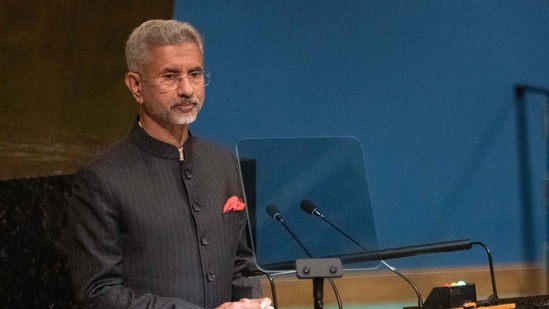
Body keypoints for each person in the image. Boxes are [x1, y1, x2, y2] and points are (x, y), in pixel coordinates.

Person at [65, 19, 273, 309]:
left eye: (195, 74)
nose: (187, 89)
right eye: (170, 76)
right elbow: (99, 292)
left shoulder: (223, 162)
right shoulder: (102, 179)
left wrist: (253, 303)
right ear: (136, 86)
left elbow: (240, 264)